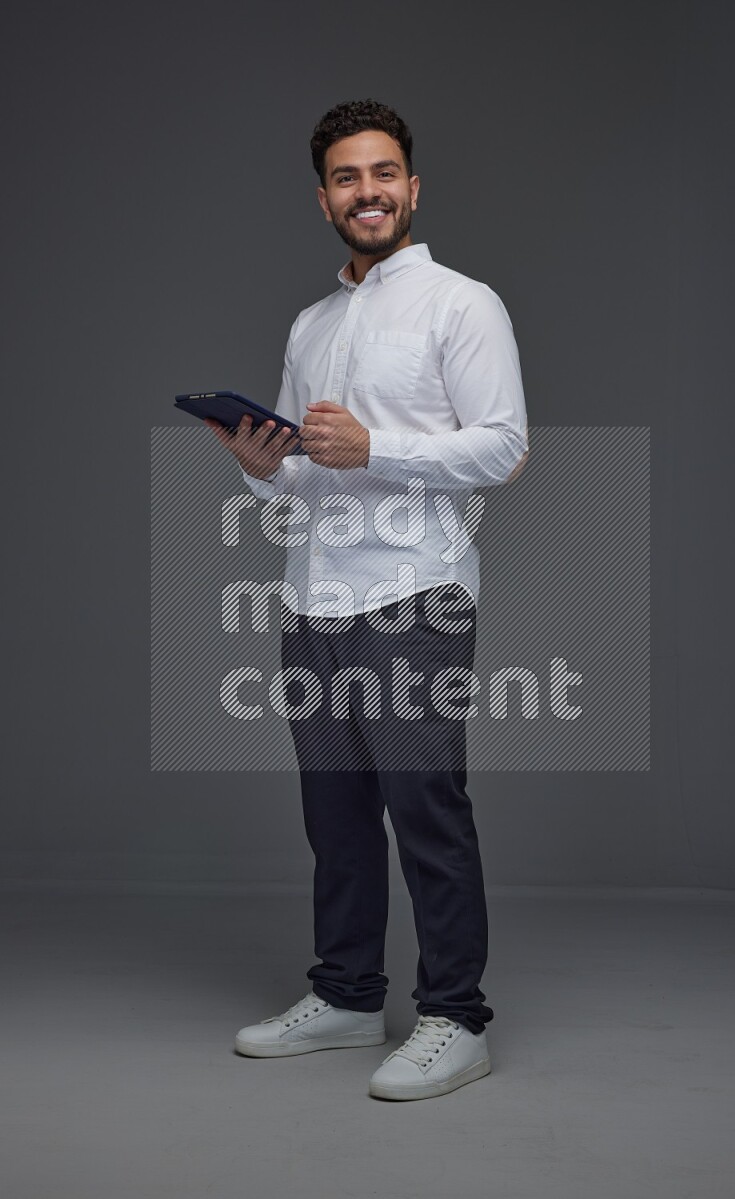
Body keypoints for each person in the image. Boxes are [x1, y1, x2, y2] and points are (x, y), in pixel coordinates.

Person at [206, 98, 529, 1101]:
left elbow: (504, 447)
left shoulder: (461, 305)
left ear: (412, 187)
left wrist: (374, 446)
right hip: (315, 597)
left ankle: (455, 1016)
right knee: (335, 813)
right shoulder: (310, 325)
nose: (368, 191)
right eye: (347, 177)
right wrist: (263, 464)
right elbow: (303, 478)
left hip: (414, 594)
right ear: (325, 199)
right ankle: (346, 995)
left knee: (425, 806)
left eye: (383, 172)